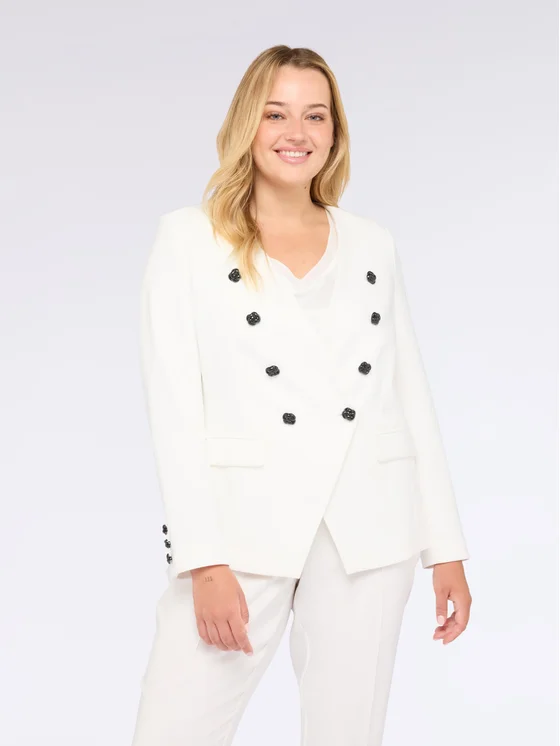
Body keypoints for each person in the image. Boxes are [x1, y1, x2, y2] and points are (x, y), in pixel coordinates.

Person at [131, 45, 472, 746]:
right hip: (240, 532)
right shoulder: (189, 239)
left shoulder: (372, 244)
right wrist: (202, 559)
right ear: (246, 125)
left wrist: (446, 547)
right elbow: (174, 409)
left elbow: (408, 395)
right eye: (276, 114)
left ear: (335, 131)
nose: (297, 132)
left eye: (316, 116)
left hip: (367, 530)